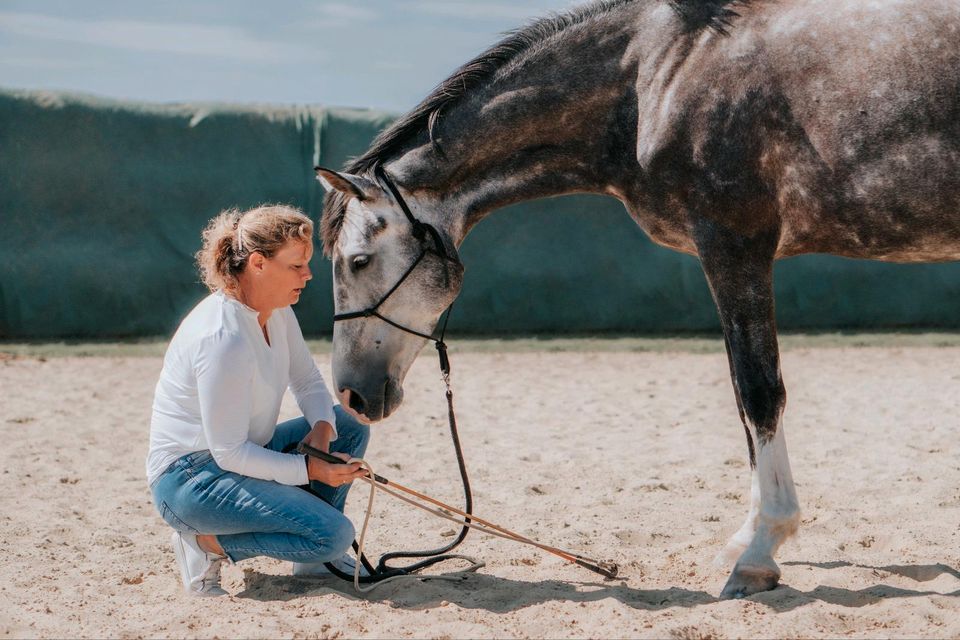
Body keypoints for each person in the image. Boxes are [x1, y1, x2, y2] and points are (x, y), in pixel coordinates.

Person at [147, 204, 370, 596]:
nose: (308, 274)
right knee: (335, 535)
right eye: (296, 265)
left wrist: (321, 429)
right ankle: (203, 544)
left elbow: (307, 379)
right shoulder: (223, 337)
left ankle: (312, 560)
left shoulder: (277, 311)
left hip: (240, 455)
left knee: (346, 423)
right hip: (190, 480)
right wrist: (311, 470)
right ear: (258, 263)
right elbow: (229, 453)